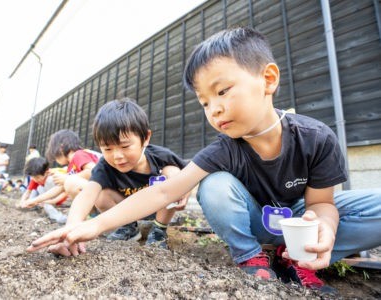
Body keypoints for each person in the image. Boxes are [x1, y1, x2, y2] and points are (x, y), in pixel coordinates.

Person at [28, 27, 381, 293]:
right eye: (204, 102)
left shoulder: (316, 137)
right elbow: (164, 192)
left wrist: (324, 227)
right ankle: (252, 256)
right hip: (258, 225)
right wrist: (89, 226)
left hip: (298, 225)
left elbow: (322, 204)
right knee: (213, 185)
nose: (214, 109)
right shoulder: (224, 148)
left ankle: (300, 258)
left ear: (268, 79)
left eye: (222, 91)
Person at [31, 99, 189, 256]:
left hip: (158, 207)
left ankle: (159, 231)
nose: (117, 156)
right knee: (99, 193)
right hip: (126, 210)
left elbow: (191, 173)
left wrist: (184, 189)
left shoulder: (160, 156)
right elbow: (87, 194)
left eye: (125, 146)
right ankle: (128, 227)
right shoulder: (105, 166)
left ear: (145, 138)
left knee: (173, 172)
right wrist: (70, 229)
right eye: (107, 148)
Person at [45, 129, 99, 202]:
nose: (56, 160)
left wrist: (68, 178)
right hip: (97, 193)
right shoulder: (71, 166)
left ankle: (92, 213)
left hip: (104, 192)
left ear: (61, 148)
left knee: (70, 183)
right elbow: (60, 188)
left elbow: (94, 171)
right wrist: (36, 200)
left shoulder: (78, 155)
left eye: (55, 157)